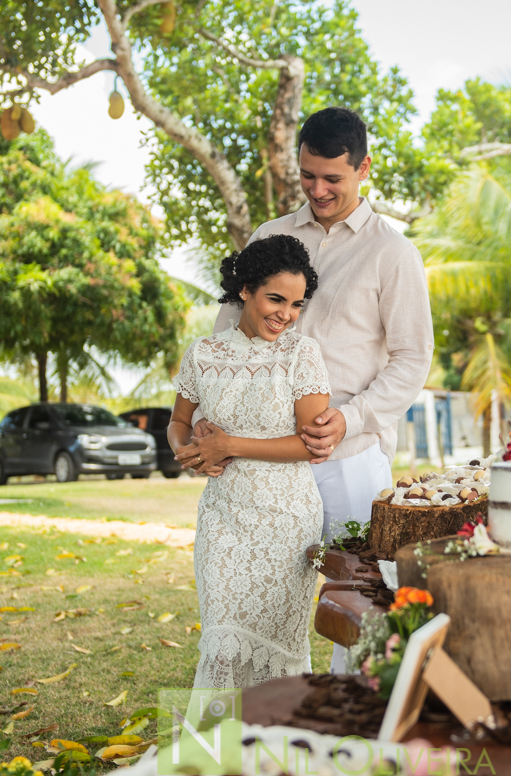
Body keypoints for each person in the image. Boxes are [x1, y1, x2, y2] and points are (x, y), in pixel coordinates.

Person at [188, 106, 434, 673]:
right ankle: (254, 716)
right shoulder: (269, 237)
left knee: (360, 607)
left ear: (363, 169)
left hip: (346, 460)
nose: (317, 190)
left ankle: (354, 718)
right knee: (253, 601)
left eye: (332, 178)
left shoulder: (393, 253)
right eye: (307, 175)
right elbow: (225, 338)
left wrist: (351, 418)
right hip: (259, 465)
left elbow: (411, 358)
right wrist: (204, 416)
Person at [168, 235, 331, 690]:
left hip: (287, 519)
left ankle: (274, 736)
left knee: (279, 649)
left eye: (296, 304)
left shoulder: (301, 354)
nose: (286, 314)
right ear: (245, 289)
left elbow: (310, 445)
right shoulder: (203, 353)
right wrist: (190, 450)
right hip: (223, 518)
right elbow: (178, 423)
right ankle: (218, 739)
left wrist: (229, 445)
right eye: (276, 299)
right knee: (221, 644)